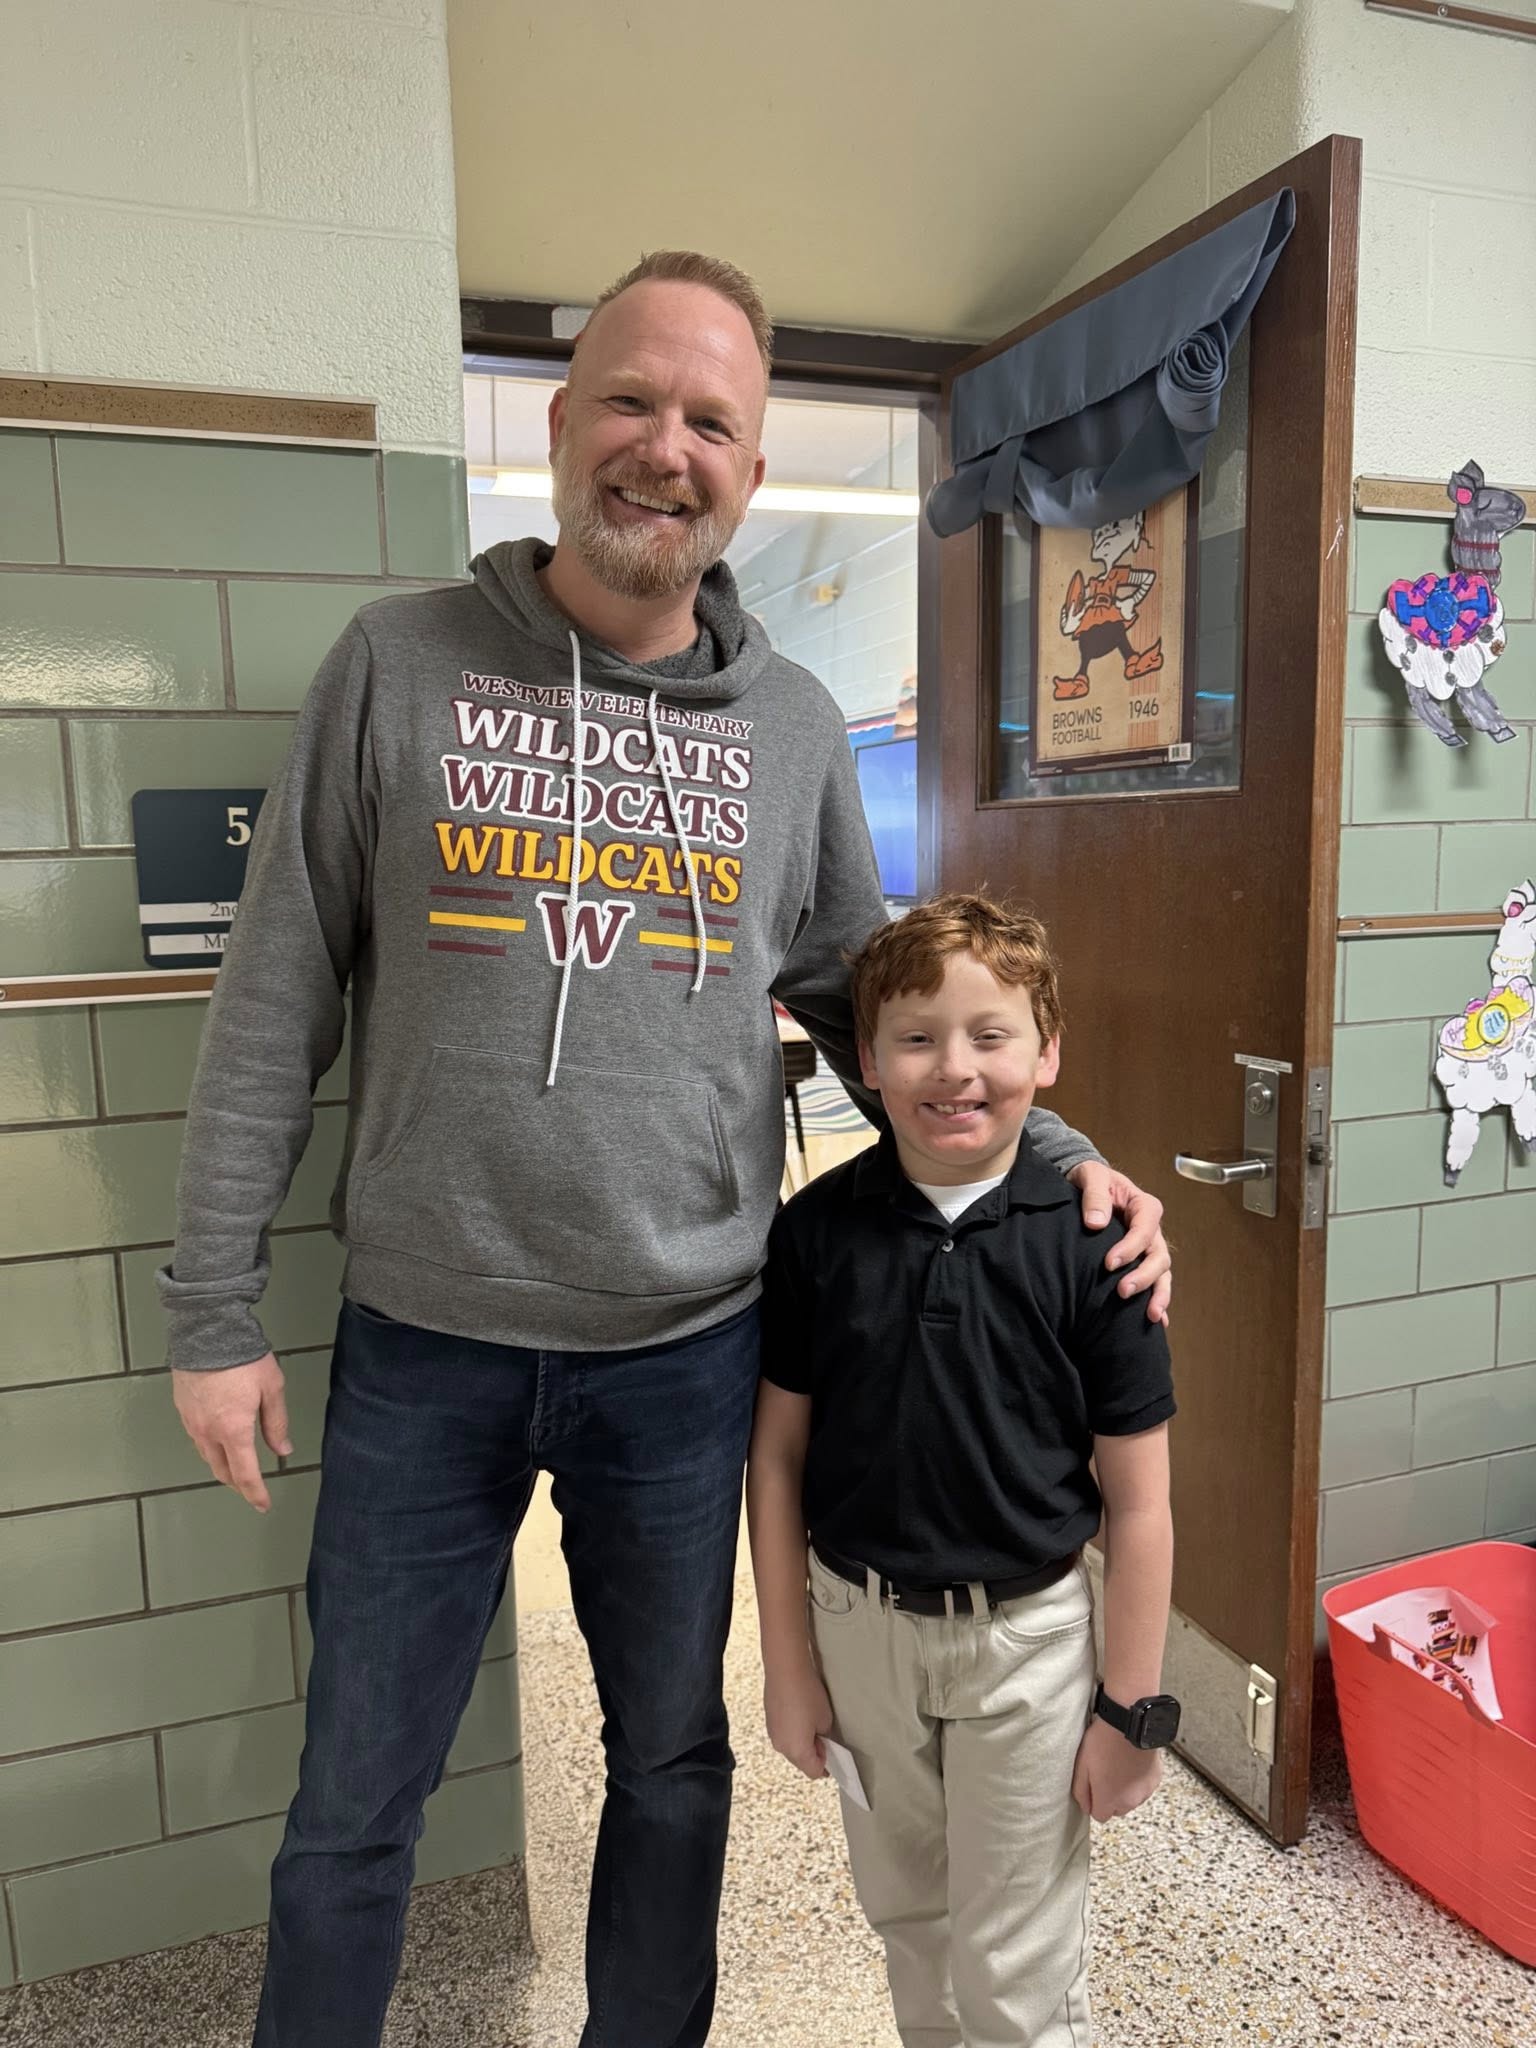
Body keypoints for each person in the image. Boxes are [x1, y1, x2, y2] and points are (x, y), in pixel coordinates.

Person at [162, 252, 1174, 2048]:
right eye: (632, 401)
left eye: (712, 420)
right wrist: (212, 1305)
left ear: (750, 476)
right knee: (353, 1801)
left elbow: (881, 1004)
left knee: (673, 1770)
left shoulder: (785, 729)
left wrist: (1062, 1158)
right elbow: (273, 995)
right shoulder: (398, 663)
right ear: (558, 428)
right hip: (426, 1339)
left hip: (685, 1350)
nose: (665, 447)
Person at [747, 892, 1177, 2048]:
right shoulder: (818, 1232)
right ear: (867, 1063)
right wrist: (789, 1668)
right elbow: (777, 1459)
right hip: (859, 1630)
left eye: (991, 1035)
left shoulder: (1101, 1243)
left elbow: (1140, 1504)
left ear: (1047, 1051)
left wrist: (1132, 1711)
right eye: (917, 1037)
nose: (956, 1068)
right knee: (912, 1923)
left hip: (1027, 1647)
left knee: (1014, 1962)